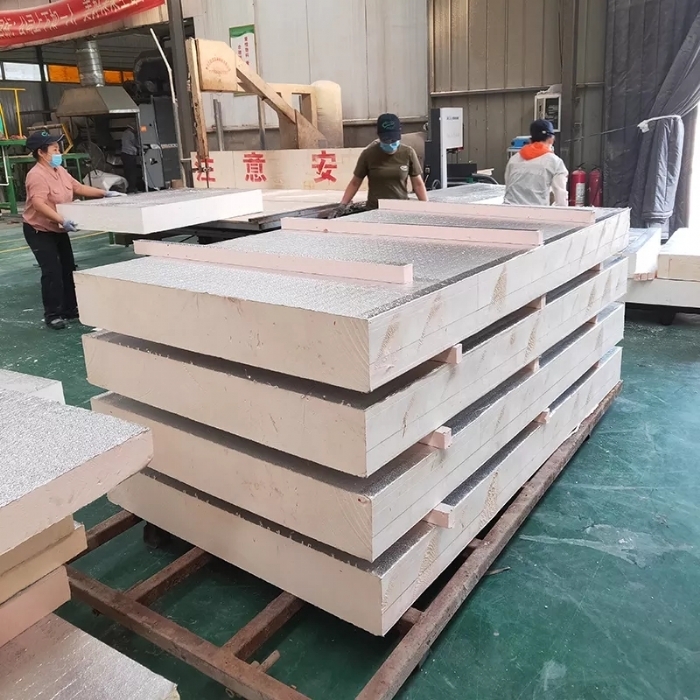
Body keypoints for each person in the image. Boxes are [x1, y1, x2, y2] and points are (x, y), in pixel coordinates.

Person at [22, 130, 123, 330]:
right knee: (52, 271)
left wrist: (104, 193)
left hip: (58, 229)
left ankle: (70, 308)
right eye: (54, 149)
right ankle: (53, 315)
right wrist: (62, 220)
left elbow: (77, 188)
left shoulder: (59, 170)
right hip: (40, 230)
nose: (58, 153)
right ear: (41, 152)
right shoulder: (36, 176)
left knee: (68, 268)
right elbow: (39, 204)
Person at [341, 113, 428, 210]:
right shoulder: (368, 154)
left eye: (393, 140)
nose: (390, 143)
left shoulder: (408, 153)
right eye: (386, 140)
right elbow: (355, 183)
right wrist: (343, 204)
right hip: (374, 209)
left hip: (400, 208)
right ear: (379, 136)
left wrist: (426, 207)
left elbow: (418, 184)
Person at [504, 119, 568, 207]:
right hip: (537, 212)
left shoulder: (514, 159)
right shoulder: (555, 162)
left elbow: (508, 186)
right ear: (551, 139)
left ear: (530, 140)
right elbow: (561, 201)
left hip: (509, 211)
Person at [121, 124, 141, 193]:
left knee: (127, 172)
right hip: (130, 154)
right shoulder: (131, 134)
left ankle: (128, 187)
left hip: (124, 153)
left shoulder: (125, 133)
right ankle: (132, 187)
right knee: (132, 172)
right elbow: (136, 144)